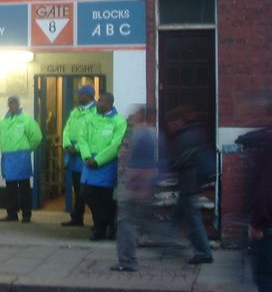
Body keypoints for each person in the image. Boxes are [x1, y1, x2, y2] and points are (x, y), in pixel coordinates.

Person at [236, 94, 272, 292]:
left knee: (266, 277)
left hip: (268, 227)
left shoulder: (268, 145)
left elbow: (264, 188)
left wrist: (257, 222)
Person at [111, 105, 159, 272]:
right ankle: (127, 259)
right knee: (135, 223)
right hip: (133, 187)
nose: (130, 117)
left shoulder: (142, 135)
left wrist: (138, 189)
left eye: (134, 114)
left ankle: (127, 261)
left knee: (126, 225)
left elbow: (142, 165)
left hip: (133, 188)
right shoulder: (142, 134)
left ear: (141, 116)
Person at [165, 104, 214, 264]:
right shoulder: (194, 132)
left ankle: (204, 253)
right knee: (177, 218)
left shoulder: (186, 136)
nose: (169, 126)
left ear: (179, 121)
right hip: (191, 183)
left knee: (193, 221)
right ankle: (168, 242)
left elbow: (183, 160)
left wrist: (170, 165)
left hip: (189, 184)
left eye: (171, 122)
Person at [78, 92, 126, 241]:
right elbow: (82, 138)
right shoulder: (90, 119)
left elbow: (116, 145)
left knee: (106, 199)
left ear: (110, 104)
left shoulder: (118, 121)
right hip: (89, 163)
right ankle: (100, 225)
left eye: (102, 101)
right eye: (99, 100)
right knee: (86, 193)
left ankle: (108, 227)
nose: (98, 103)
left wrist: (98, 160)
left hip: (105, 165)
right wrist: (86, 156)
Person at [0, 95, 42, 223]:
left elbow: (37, 137)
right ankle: (12, 213)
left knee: (24, 188)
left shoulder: (26, 120)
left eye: (14, 103)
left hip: (21, 157)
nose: (12, 105)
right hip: (8, 158)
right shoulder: (2, 121)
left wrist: (28, 149)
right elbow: (0, 136)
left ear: (19, 104)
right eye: (10, 103)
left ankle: (26, 214)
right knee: (10, 188)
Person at [61, 85, 97, 227]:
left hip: (86, 155)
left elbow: (92, 134)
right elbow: (67, 130)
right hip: (74, 157)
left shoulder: (95, 112)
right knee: (77, 188)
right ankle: (77, 217)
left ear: (88, 96)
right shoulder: (75, 112)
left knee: (89, 190)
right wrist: (67, 144)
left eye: (81, 95)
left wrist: (77, 148)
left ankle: (97, 219)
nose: (78, 97)